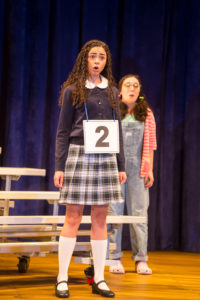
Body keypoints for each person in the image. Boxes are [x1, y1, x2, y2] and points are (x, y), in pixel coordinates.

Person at [54, 40, 126, 298]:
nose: (97, 61)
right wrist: (59, 166)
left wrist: (121, 164)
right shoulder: (73, 90)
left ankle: (99, 278)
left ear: (106, 62)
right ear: (85, 59)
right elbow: (63, 132)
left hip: (105, 157)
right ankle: (62, 278)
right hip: (78, 153)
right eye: (93, 56)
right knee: (72, 216)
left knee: (100, 218)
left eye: (102, 57)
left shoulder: (112, 91)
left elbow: (116, 130)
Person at [109, 74, 157, 275]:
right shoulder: (112, 111)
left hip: (137, 168)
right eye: (128, 85)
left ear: (139, 91)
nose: (132, 88)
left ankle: (140, 259)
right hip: (114, 168)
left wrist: (150, 169)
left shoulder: (146, 113)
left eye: (135, 85)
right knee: (114, 213)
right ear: (120, 91)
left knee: (139, 213)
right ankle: (113, 257)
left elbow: (151, 144)